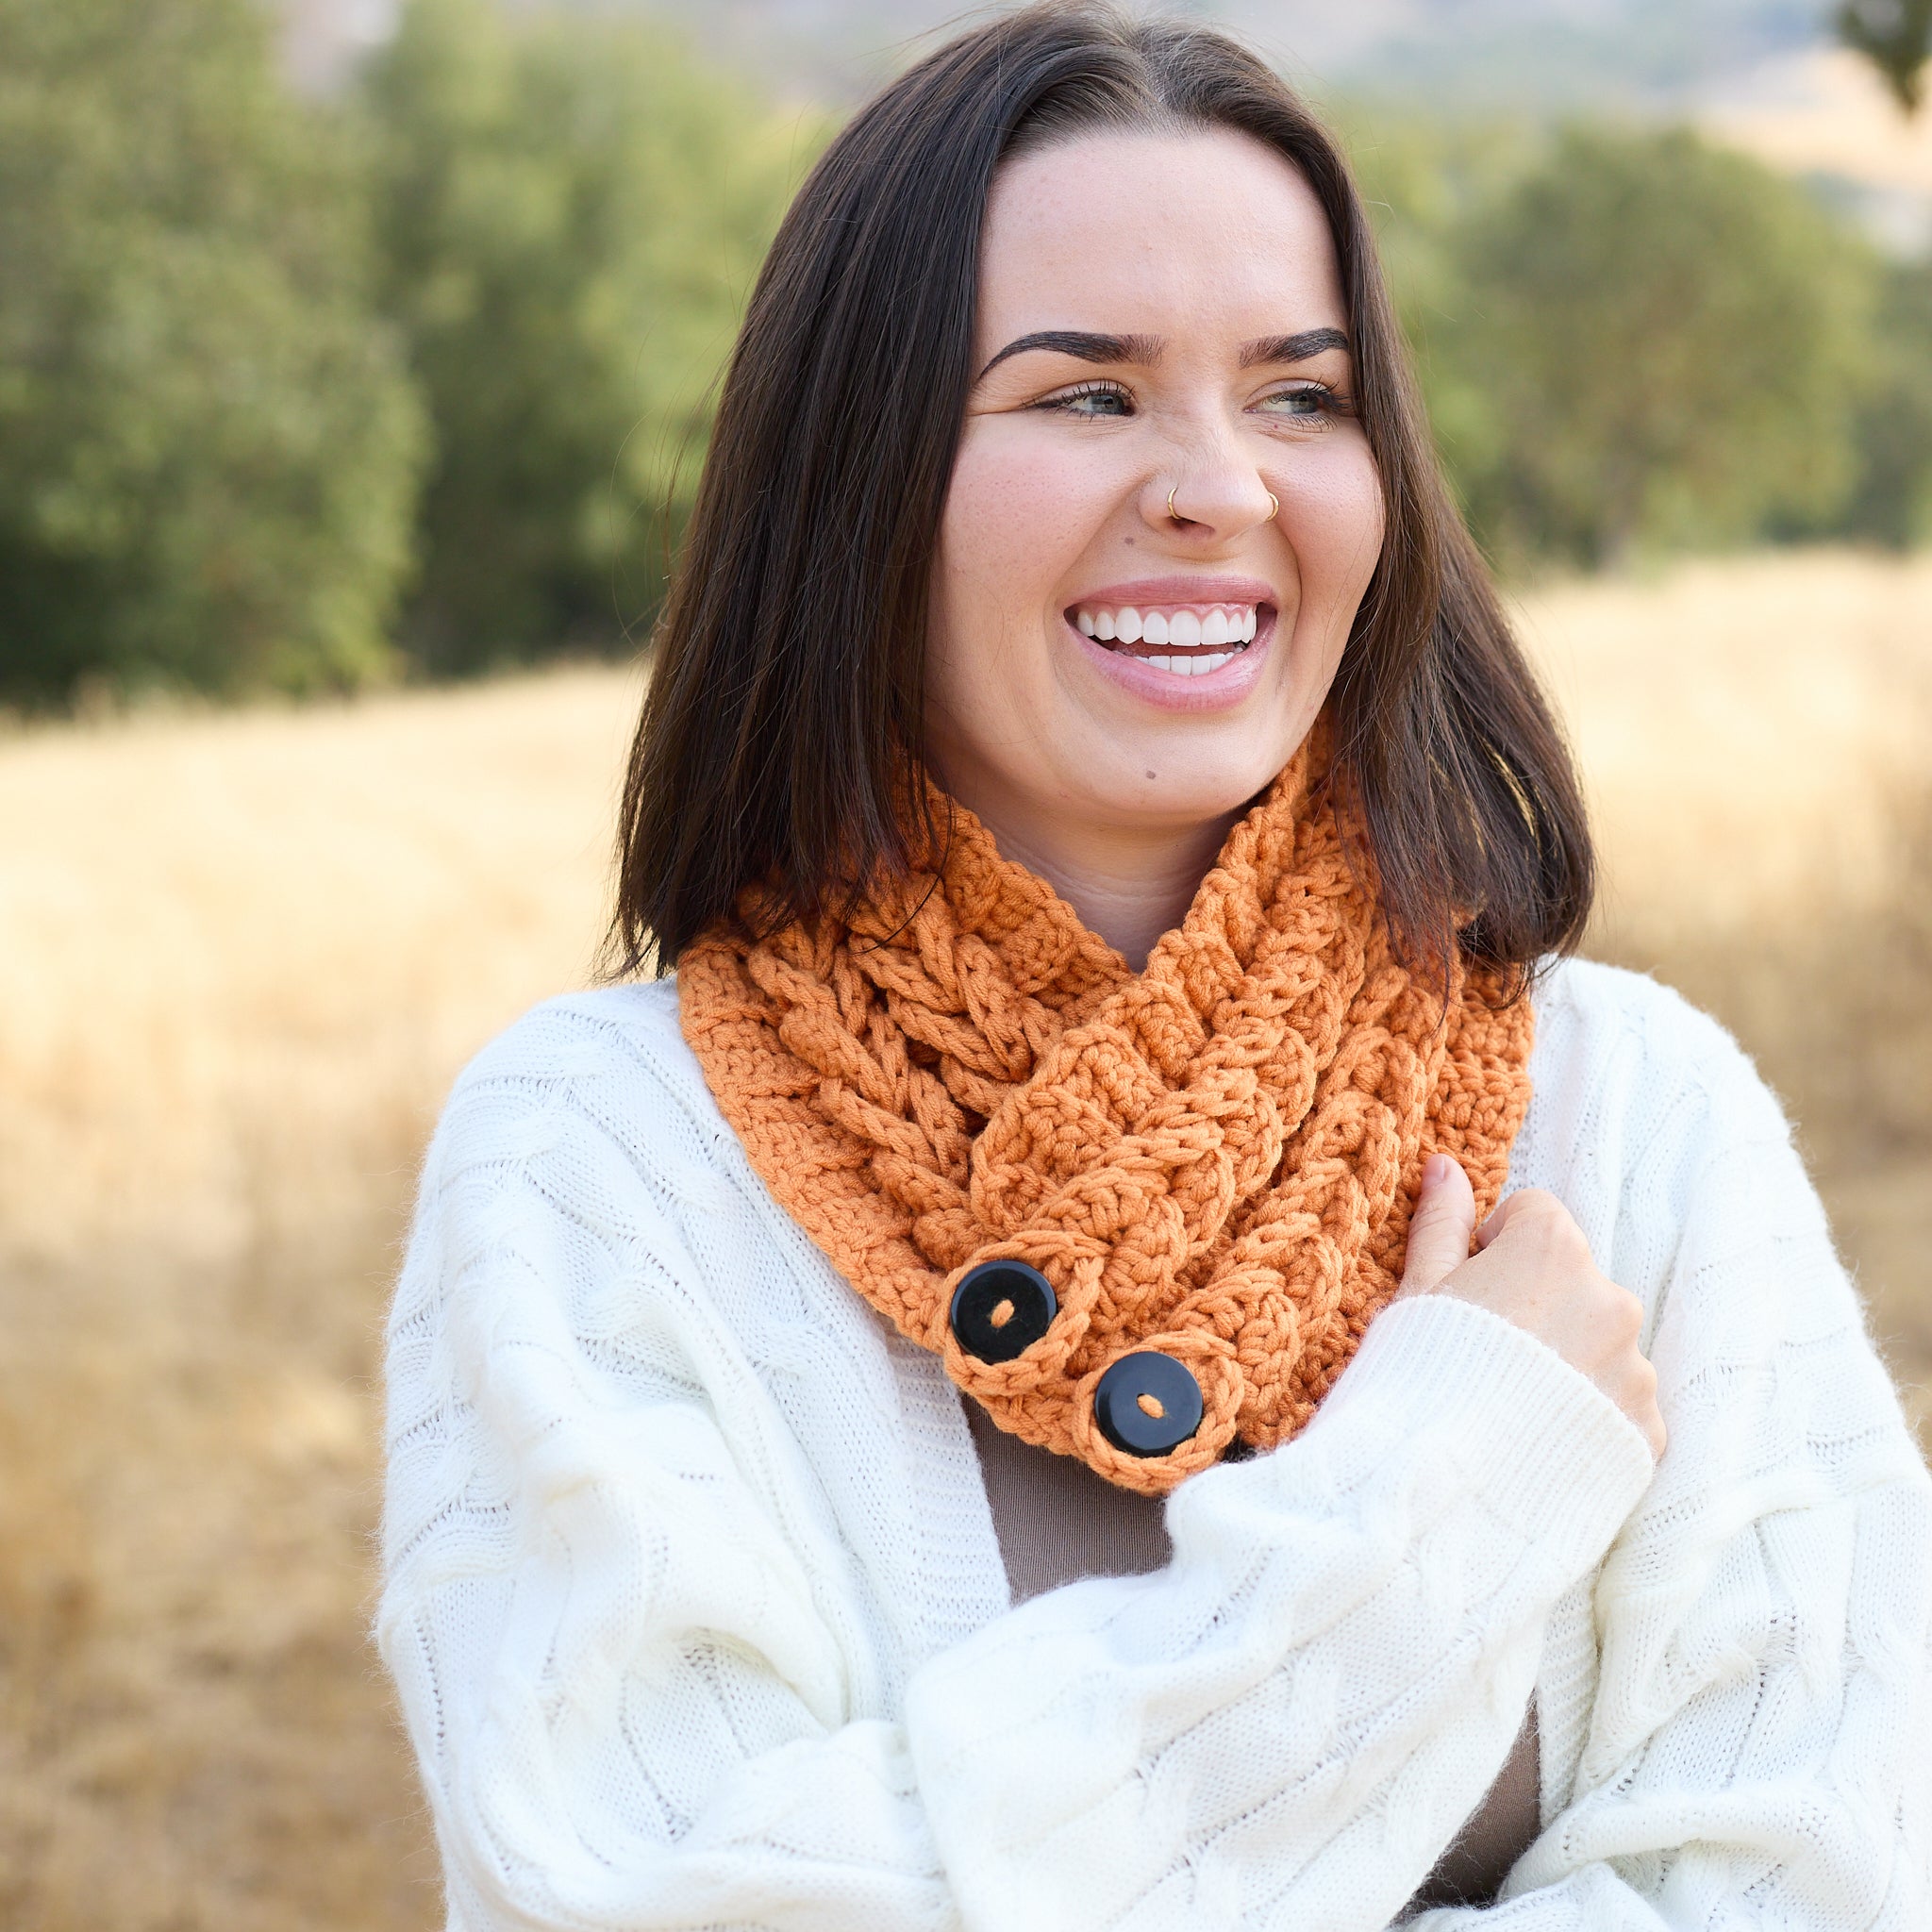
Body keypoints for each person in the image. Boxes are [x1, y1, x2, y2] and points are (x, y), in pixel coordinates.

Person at [376, 7, 1932, 1925]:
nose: (1220, 486)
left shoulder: (1638, 1121)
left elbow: (1816, 1877)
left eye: (1299, 397)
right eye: (1084, 396)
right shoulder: (600, 1158)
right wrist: (1421, 1510)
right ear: (854, 483)